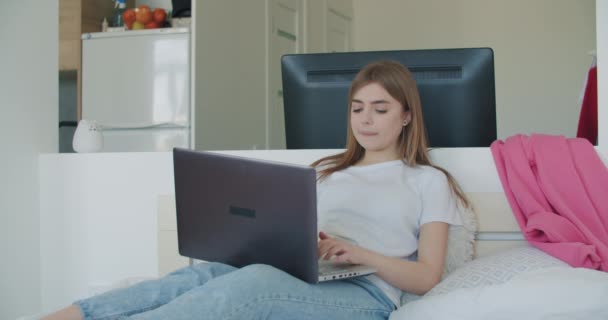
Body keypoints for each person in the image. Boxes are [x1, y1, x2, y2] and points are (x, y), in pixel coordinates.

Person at [44, 60, 469, 320]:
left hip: (366, 296)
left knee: (254, 283)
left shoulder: (427, 181)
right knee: (205, 274)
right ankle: (70, 315)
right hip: (304, 273)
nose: (366, 120)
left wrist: (359, 254)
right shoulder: (324, 172)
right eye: (357, 109)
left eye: (381, 109)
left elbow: (427, 277)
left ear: (407, 116)